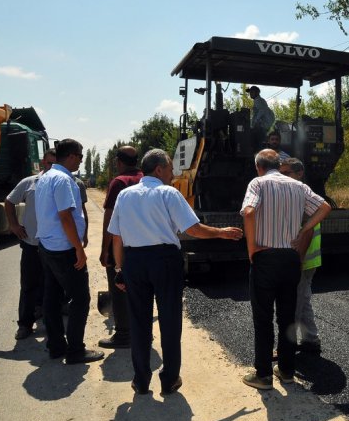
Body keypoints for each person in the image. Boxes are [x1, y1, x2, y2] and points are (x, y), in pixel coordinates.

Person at [108, 149, 242, 396]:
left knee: (139, 322)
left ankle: (140, 380)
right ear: (159, 169)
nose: (172, 174)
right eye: (170, 169)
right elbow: (193, 229)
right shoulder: (168, 193)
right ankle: (169, 380)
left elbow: (116, 237)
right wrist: (222, 232)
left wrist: (119, 269)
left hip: (134, 261)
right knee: (169, 320)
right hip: (164, 260)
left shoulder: (125, 195)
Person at [241, 149, 331, 390]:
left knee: (263, 319)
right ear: (277, 165)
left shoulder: (258, 183)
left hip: (265, 258)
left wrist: (251, 248)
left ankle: (263, 375)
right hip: (291, 259)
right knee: (287, 317)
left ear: (258, 167)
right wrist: (304, 229)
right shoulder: (297, 186)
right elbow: (324, 208)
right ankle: (287, 370)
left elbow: (249, 212)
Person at [35, 139, 104, 364]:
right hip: (63, 248)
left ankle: (56, 346)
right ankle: (75, 350)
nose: (82, 161)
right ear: (72, 156)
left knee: (52, 297)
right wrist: (78, 249)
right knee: (80, 298)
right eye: (81, 156)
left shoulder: (45, 177)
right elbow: (65, 217)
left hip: (46, 246)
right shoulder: (64, 180)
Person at [5, 148, 56, 340]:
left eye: (55, 163)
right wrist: (13, 225)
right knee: (28, 285)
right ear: (43, 162)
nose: (52, 167)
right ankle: (25, 325)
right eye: (49, 163)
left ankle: (52, 326)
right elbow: (9, 202)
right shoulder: (29, 183)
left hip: (56, 247)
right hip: (32, 244)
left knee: (55, 286)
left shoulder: (64, 184)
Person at [98, 146, 143, 349]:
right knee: (140, 290)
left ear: (119, 162)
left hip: (122, 247)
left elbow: (110, 218)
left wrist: (104, 249)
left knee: (119, 288)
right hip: (144, 245)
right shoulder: (146, 179)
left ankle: (124, 334)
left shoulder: (119, 183)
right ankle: (142, 332)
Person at [279, 158, 322, 353]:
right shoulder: (301, 193)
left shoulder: (301, 195)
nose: (283, 177)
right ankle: (311, 339)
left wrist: (298, 260)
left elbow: (308, 231)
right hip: (306, 259)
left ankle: (287, 347)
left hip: (302, 260)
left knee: (293, 304)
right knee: (303, 299)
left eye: (287, 173)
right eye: (281, 173)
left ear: (299, 174)